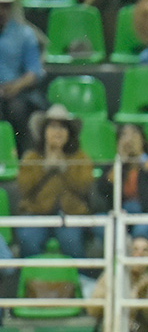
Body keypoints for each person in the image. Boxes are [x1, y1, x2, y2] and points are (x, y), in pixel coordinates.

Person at [15, 106, 93, 259]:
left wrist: (64, 169)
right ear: (44, 131)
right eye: (53, 126)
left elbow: (85, 187)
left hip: (71, 215)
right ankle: (31, 280)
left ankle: (81, 280)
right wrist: (45, 169)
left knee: (71, 240)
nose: (58, 132)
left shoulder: (80, 158)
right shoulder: (31, 158)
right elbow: (23, 188)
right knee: (28, 238)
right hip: (36, 214)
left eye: (63, 127)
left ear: (69, 133)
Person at [92, 123, 148, 248]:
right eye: (124, 135)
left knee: (141, 231)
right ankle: (121, 257)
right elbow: (103, 189)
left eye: (134, 134)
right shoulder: (115, 163)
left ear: (142, 138)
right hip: (124, 215)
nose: (129, 139)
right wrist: (120, 161)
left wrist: (140, 156)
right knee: (101, 226)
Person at [88, 236, 148, 332]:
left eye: (145, 250)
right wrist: (118, 294)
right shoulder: (110, 278)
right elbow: (92, 310)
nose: (139, 254)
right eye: (135, 249)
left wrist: (142, 296)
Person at [0, 0, 46, 155]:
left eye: (5, 6)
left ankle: (21, 157)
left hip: (16, 93)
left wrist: (16, 85)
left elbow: (34, 71)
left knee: (17, 110)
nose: (1, 11)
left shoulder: (24, 34)